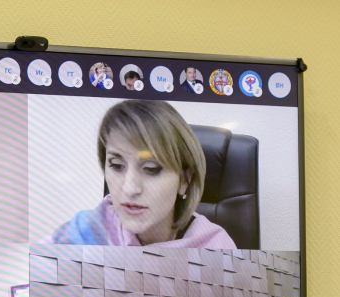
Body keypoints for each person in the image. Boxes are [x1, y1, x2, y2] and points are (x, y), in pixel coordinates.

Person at [48, 100, 236, 248]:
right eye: (116, 165)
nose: (129, 188)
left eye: (151, 169)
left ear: (185, 180)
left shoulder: (215, 250)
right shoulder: (87, 231)